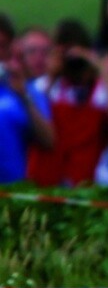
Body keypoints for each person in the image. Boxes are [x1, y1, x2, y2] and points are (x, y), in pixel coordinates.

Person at [28, 20, 108, 187]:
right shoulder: (44, 86)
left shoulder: (103, 91)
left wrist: (100, 68)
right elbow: (32, 122)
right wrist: (52, 75)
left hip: (88, 181)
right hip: (48, 177)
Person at [0, 14, 54, 183]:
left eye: (2, 46)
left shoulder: (26, 89)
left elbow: (48, 141)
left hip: (10, 189)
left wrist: (23, 96)